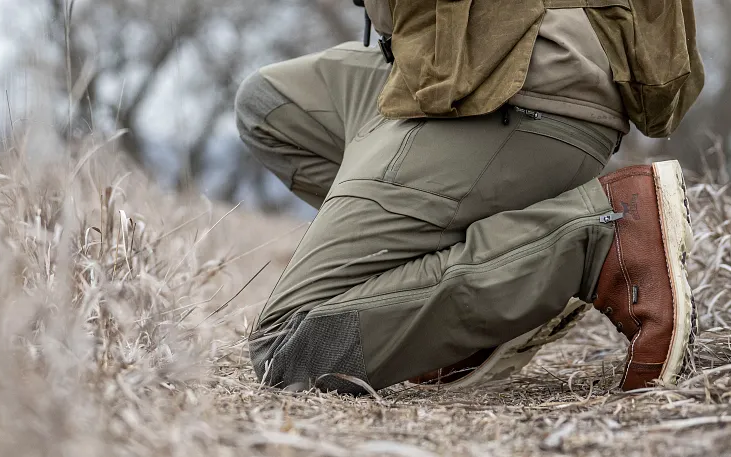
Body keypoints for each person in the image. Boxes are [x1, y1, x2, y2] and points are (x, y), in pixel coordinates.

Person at [235, 0, 704, 393]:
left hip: (513, 80)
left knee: (287, 347)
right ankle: (455, 288)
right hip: (450, 62)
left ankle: (596, 237)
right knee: (269, 105)